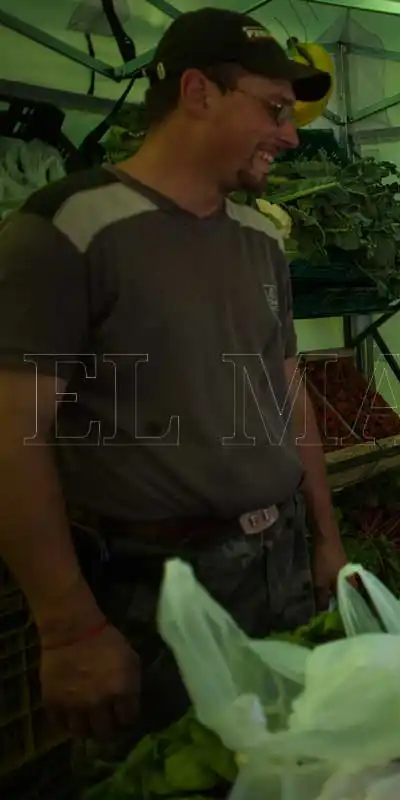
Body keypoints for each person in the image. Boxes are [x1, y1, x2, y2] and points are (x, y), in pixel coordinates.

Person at [0, 8, 347, 746]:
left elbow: (289, 396)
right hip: (156, 588)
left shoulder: (260, 239)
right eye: (274, 110)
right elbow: (10, 437)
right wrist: (68, 626)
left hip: (280, 564)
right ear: (198, 93)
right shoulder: (68, 229)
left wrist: (325, 537)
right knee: (183, 771)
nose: (290, 135)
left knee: (298, 763)